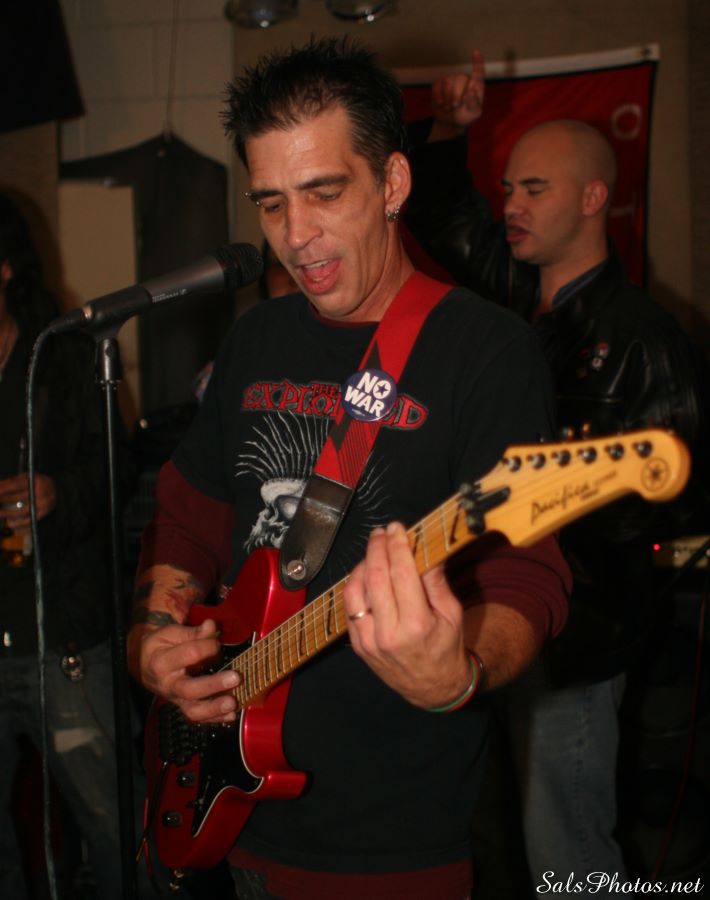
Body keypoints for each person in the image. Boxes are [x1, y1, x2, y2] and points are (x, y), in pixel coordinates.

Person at [127, 37, 571, 900]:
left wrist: (460, 670)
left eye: (324, 193)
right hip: (227, 803)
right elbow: (187, 516)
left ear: (394, 183)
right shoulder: (255, 338)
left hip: (392, 840)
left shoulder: (486, 352)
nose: (296, 237)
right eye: (271, 204)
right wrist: (155, 638)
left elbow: (529, 580)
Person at [404, 53, 709, 895]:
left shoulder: (646, 339)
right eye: (507, 188)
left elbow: (670, 517)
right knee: (494, 843)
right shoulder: (508, 297)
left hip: (573, 649)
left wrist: (557, 545)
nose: (510, 205)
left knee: (567, 857)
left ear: (593, 197)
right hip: (483, 619)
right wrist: (450, 128)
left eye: (534, 189)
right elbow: (438, 211)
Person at [0, 192, 151, 900]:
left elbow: (119, 471)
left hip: (61, 642)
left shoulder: (61, 354)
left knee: (119, 834)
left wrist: (57, 493)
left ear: (5, 266)